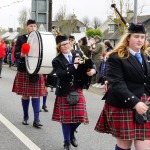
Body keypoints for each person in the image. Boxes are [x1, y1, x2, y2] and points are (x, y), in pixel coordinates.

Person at [95, 23, 150, 150]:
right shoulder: (116, 57)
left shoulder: (145, 56)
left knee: (145, 144)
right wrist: (135, 103)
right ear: (128, 38)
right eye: (136, 36)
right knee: (124, 144)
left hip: (144, 103)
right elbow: (116, 83)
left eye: (142, 37)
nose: (140, 40)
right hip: (123, 103)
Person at [52, 34, 96, 149]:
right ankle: (66, 142)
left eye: (68, 43)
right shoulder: (56, 60)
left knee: (81, 117)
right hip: (64, 91)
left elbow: (91, 64)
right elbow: (61, 75)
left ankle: (71, 134)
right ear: (59, 47)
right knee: (66, 120)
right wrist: (75, 65)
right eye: (63, 45)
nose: (67, 46)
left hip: (77, 89)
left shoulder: (78, 54)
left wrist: (93, 71)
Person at [12, 19, 46, 128]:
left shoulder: (40, 38)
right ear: (27, 27)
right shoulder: (21, 38)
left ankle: (36, 119)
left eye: (35, 26)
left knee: (36, 95)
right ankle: (25, 116)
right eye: (31, 26)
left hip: (36, 69)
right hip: (24, 69)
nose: (33, 28)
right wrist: (22, 53)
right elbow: (16, 53)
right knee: (25, 95)